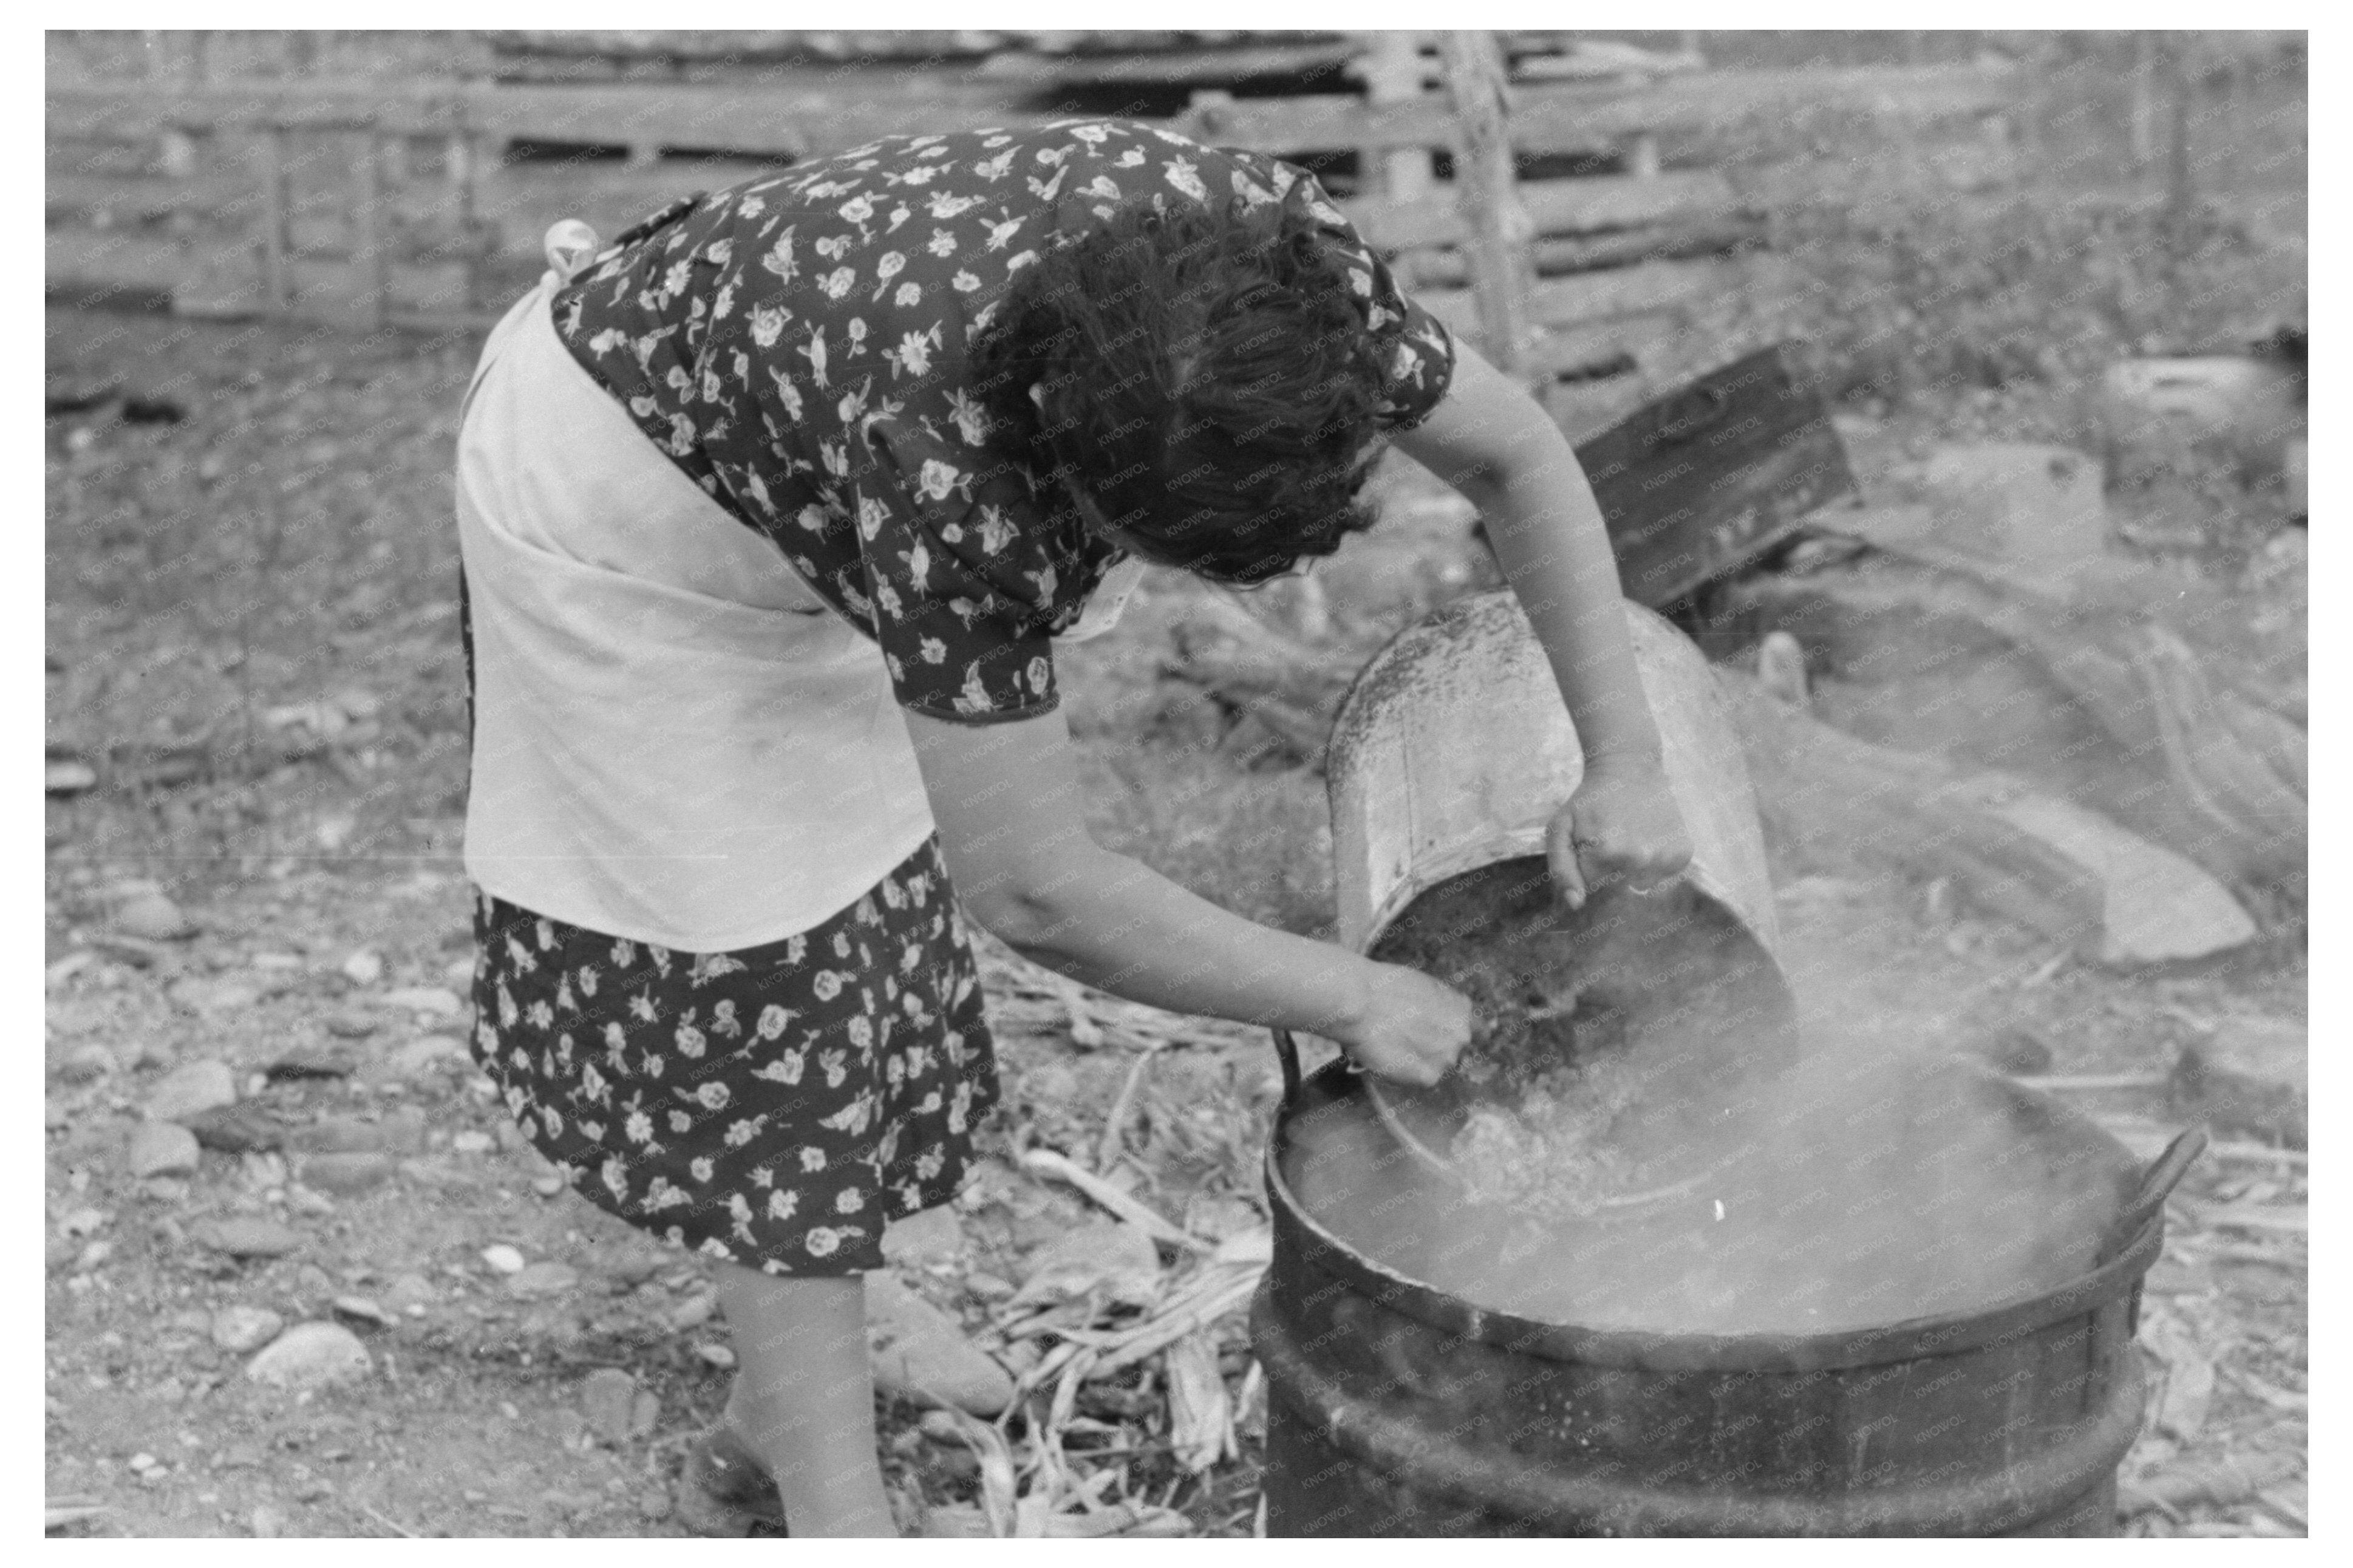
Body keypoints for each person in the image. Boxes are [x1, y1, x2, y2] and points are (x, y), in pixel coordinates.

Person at [453, 118, 1692, 1538]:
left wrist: (1629, 759)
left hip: (803, 443)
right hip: (626, 510)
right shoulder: (941, 463)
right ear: (1067, 471)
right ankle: (825, 1499)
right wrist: (1356, 995)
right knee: (761, 992)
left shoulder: (1277, 279)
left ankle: (778, 1395)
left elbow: (1519, 457)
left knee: (864, 911)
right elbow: (1035, 889)